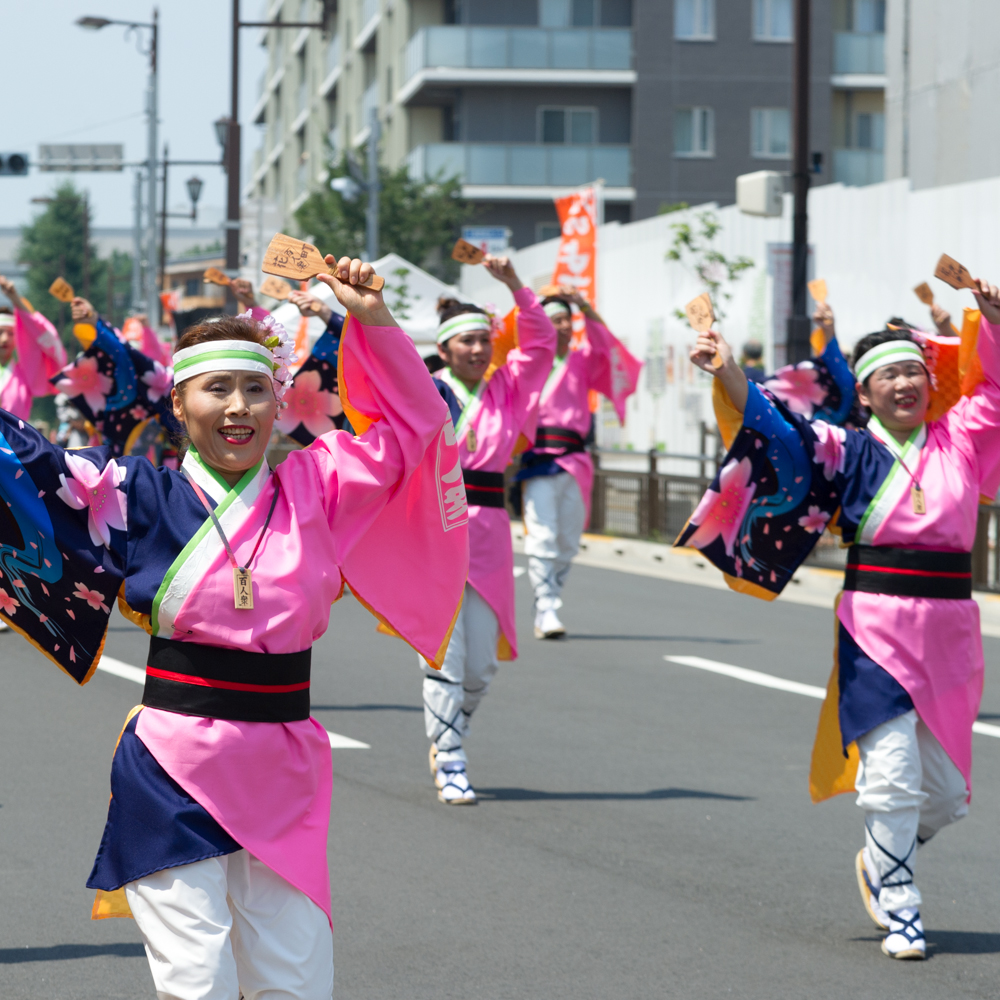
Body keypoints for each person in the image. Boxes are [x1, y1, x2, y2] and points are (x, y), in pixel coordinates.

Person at [0, 256, 467, 998]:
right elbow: (23, 466)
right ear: (179, 404)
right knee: (199, 982)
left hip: (286, 767)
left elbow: (418, 430)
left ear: (281, 403)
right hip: (172, 766)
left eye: (257, 388)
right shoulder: (132, 493)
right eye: (217, 388)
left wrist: (372, 317)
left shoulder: (321, 485)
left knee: (296, 985)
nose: (239, 405)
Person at [679, 276, 1000, 961]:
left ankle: (881, 861)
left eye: (916, 371)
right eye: (890, 376)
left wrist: (994, 321)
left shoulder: (962, 437)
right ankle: (903, 907)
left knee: (946, 796)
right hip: (876, 625)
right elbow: (773, 425)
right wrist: (728, 368)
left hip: (951, 629)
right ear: (865, 392)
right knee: (889, 774)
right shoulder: (844, 447)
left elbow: (995, 392)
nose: (907, 384)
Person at [422, 255, 556, 804]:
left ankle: (454, 728)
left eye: (484, 339)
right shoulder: (427, 388)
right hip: (438, 528)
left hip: (492, 530)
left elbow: (543, 342)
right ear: (447, 348)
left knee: (482, 666)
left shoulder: (509, 389)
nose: (477, 349)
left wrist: (514, 285)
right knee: (445, 657)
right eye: (466, 341)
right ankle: (450, 757)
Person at [514, 288, 640, 638]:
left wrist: (584, 305)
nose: (565, 326)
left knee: (568, 540)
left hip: (575, 459)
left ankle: (550, 596)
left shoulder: (583, 359)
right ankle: (546, 605)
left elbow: (609, 349)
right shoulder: (526, 359)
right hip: (539, 459)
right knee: (543, 535)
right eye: (556, 321)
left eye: (568, 321)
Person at [0, 274, 66, 420]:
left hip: (13, 442)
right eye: (0, 333)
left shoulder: (25, 375)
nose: (4, 339)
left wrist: (15, 298)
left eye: (11, 333)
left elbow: (44, 337)